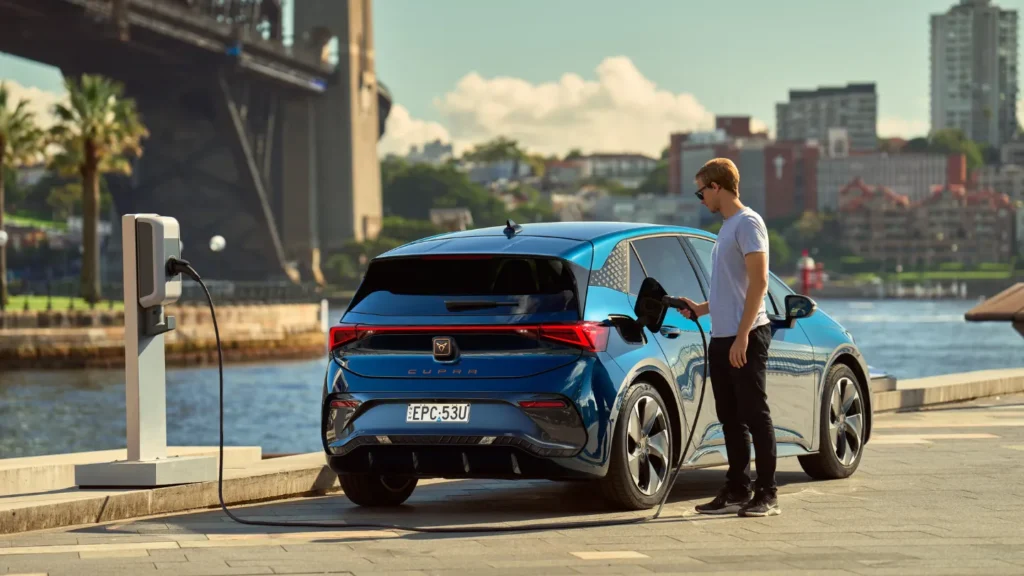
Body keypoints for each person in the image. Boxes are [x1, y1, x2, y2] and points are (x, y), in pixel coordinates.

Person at [669, 157, 779, 518]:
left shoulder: (748, 223)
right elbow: (730, 289)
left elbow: (759, 283)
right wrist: (700, 309)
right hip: (722, 335)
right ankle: (736, 488)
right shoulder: (727, 227)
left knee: (755, 413)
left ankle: (767, 494)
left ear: (716, 187)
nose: (700, 198)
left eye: (701, 190)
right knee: (729, 416)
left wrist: (743, 337)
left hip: (745, 335)